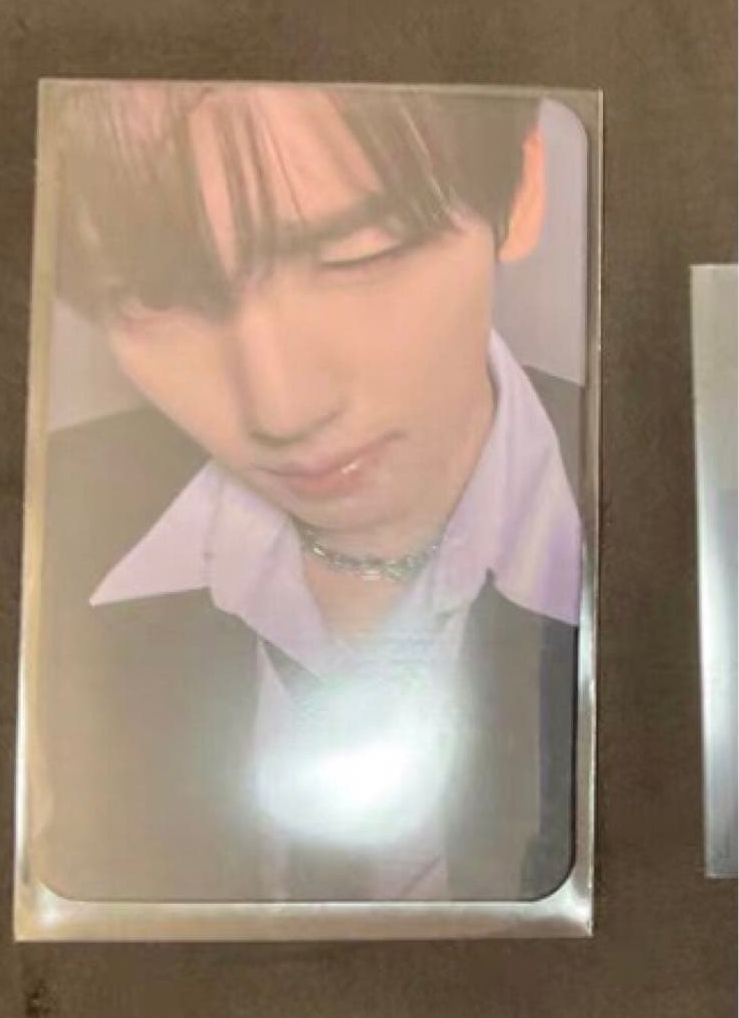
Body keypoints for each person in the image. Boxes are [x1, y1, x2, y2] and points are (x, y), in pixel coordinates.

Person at [33, 82, 582, 904]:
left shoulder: (687, 526)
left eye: (359, 254)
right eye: (155, 297)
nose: (281, 409)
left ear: (524, 187)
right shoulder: (30, 534)